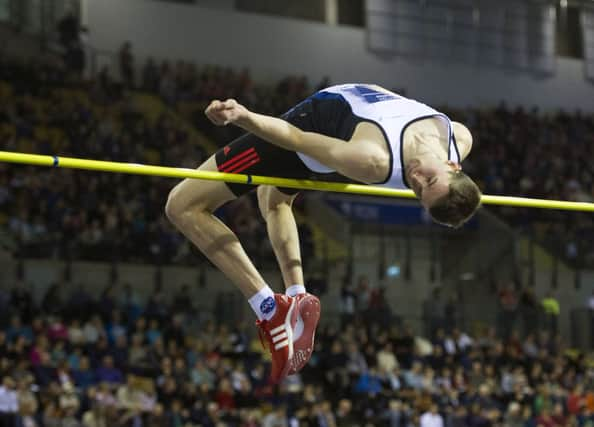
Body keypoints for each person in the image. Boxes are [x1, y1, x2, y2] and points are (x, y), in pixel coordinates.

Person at [166, 83, 481, 383]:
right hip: (340, 131)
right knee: (274, 198)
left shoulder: (373, 160)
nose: (415, 178)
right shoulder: (459, 138)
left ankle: (268, 308)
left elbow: (297, 139)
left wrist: (243, 117)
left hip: (315, 129)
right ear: (454, 165)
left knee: (182, 206)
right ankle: (296, 298)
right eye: (426, 181)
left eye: (418, 191)